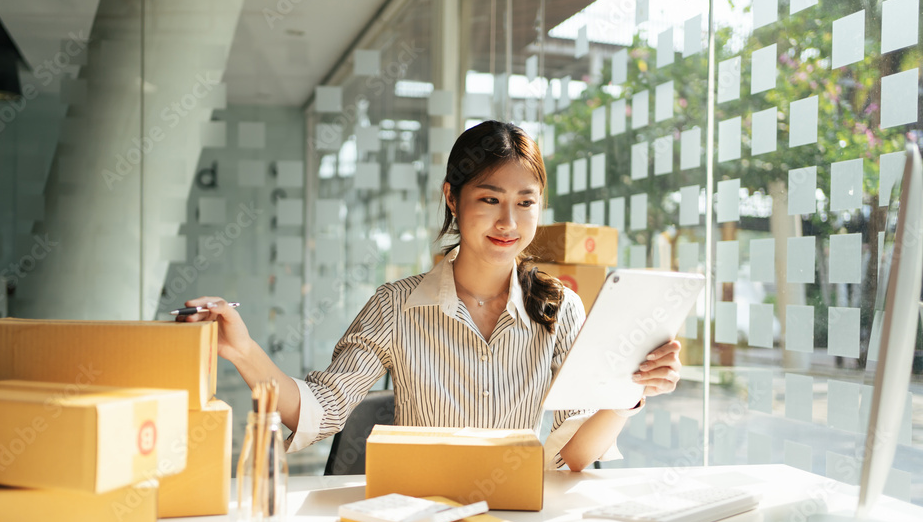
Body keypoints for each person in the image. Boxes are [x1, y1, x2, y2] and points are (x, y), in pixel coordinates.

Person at [179, 120, 681, 471]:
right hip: (417, 515)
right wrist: (242, 351)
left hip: (515, 519)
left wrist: (630, 391)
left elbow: (573, 455)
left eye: (525, 203)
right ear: (451, 198)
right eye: (489, 199)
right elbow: (321, 408)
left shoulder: (558, 308)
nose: (509, 222)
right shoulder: (397, 305)